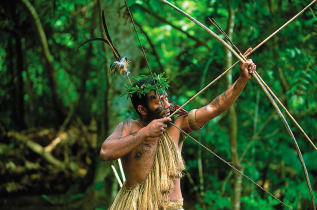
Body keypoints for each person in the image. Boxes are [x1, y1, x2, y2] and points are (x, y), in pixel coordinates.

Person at [100, 48, 256, 209]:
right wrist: (146, 132)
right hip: (136, 205)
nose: (167, 105)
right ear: (142, 110)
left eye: (166, 98)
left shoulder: (179, 123)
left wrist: (242, 79)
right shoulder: (129, 127)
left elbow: (214, 107)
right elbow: (106, 152)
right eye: (159, 102)